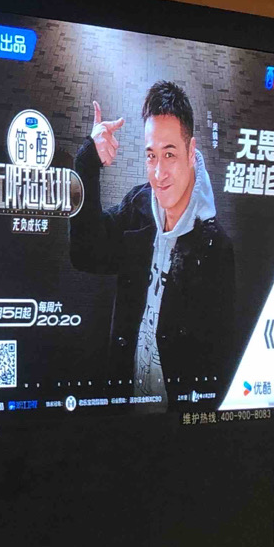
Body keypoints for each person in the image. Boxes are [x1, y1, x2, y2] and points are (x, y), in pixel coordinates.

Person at [68, 80, 234, 408]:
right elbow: (85, 253)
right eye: (151, 156)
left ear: (191, 152)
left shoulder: (214, 247)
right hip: (123, 411)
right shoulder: (139, 206)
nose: (159, 173)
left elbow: (217, 362)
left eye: (169, 154)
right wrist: (87, 163)